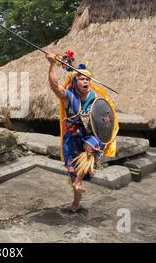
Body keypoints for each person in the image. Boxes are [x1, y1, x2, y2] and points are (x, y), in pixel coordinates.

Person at [46, 52, 118, 213]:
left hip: (91, 136)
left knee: (89, 147)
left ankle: (79, 181)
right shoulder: (68, 97)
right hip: (72, 139)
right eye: (82, 79)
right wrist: (51, 65)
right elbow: (54, 86)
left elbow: (106, 118)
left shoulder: (96, 98)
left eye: (87, 79)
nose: (85, 81)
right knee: (72, 173)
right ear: (75, 81)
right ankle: (76, 193)